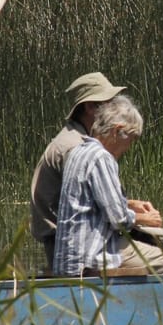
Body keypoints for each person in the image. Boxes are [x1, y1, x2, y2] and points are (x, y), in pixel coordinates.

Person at [53, 94, 163, 277]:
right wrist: (145, 219)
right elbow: (118, 219)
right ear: (117, 131)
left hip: (69, 258)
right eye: (131, 139)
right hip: (91, 256)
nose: (129, 147)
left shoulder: (78, 152)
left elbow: (96, 204)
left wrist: (130, 206)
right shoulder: (101, 158)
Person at [30, 72, 126, 272]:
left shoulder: (80, 138)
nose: (115, 109)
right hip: (68, 243)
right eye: (109, 103)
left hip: (71, 238)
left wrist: (131, 205)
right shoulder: (75, 146)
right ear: (90, 107)